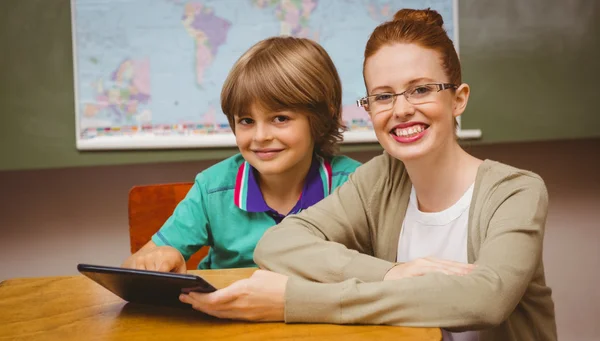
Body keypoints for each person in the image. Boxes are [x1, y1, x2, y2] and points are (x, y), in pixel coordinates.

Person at [177, 8, 557, 341]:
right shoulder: (380, 177)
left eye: (420, 89)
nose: (401, 109)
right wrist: (393, 274)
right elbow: (277, 245)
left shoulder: (516, 191)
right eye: (383, 96)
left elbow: (484, 301)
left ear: (458, 99)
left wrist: (293, 301)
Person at [122, 36, 360, 272]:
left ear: (322, 118)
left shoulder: (355, 186)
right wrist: (160, 257)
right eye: (246, 120)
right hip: (227, 309)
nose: (260, 136)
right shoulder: (212, 188)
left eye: (280, 118)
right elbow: (134, 267)